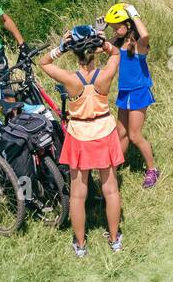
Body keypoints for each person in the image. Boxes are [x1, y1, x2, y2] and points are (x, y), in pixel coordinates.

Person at [39, 25, 124, 256]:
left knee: (78, 194)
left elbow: (43, 63)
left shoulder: (70, 79)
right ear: (94, 51)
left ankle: (80, 244)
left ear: (75, 52)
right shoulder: (105, 75)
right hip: (104, 131)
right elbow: (116, 53)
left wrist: (61, 48)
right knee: (111, 189)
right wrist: (102, 43)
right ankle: (115, 239)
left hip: (79, 135)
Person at [104, 3, 160, 189]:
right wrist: (100, 30)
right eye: (112, 28)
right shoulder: (118, 41)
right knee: (121, 133)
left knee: (135, 135)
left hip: (138, 92)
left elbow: (145, 34)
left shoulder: (139, 44)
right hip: (124, 92)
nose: (115, 31)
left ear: (128, 24)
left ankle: (152, 169)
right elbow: (97, 48)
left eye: (117, 27)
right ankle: (115, 167)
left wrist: (133, 13)